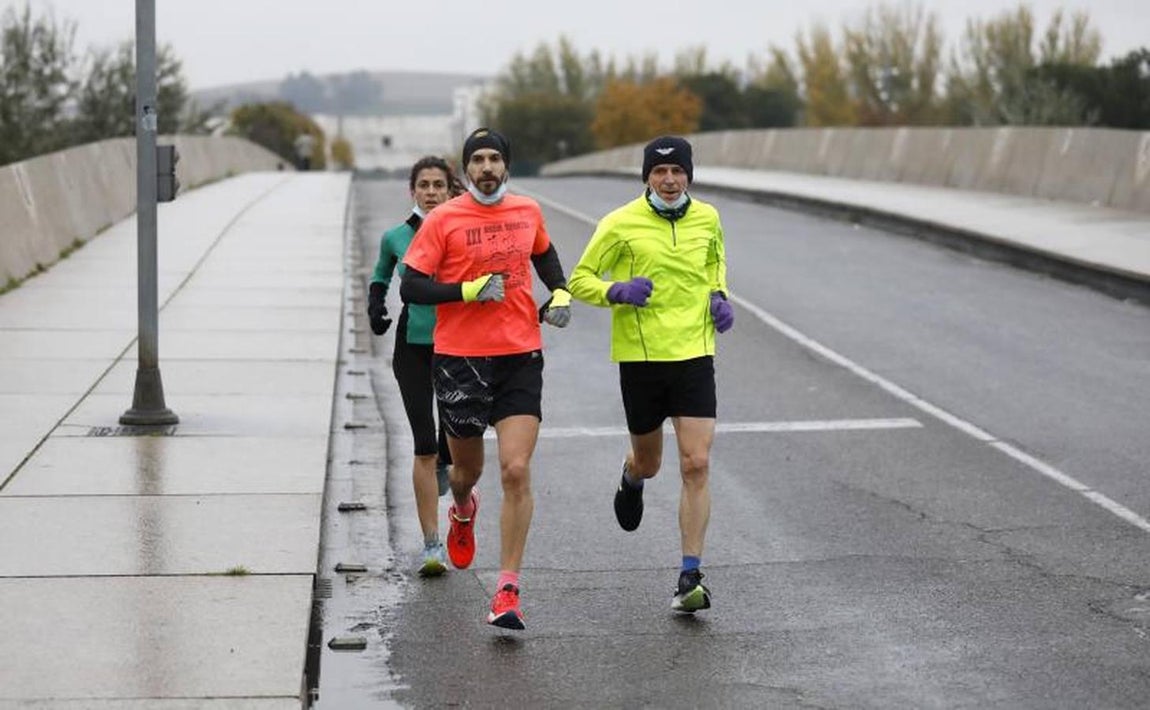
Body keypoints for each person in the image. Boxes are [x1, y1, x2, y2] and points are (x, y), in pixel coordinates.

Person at [400, 127, 572, 630]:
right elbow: (411, 286)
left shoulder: (527, 211)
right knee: (464, 472)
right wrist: (465, 290)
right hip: (459, 358)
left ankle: (507, 589)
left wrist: (559, 293)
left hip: (520, 354)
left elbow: (543, 253)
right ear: (466, 169)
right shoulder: (444, 219)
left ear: (507, 165)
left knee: (516, 470)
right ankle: (462, 507)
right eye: (478, 160)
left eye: (495, 157)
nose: (487, 167)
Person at [567, 135, 734, 614]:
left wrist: (720, 296)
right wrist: (616, 290)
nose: (668, 180)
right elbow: (580, 278)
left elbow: (714, 263)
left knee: (696, 463)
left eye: (677, 171)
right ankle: (631, 477)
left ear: (688, 175)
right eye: (659, 172)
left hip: (695, 354)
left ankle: (689, 576)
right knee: (652, 463)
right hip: (641, 359)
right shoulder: (619, 223)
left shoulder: (709, 218)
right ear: (646, 177)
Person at [367, 156, 464, 578]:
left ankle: (453, 476)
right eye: (422, 184)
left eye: (437, 185)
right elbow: (380, 275)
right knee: (423, 444)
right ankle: (431, 545)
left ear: (448, 189)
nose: (430, 191)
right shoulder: (394, 237)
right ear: (412, 191)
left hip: (458, 346)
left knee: (453, 445)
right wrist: (375, 306)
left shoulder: (461, 232)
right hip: (413, 346)